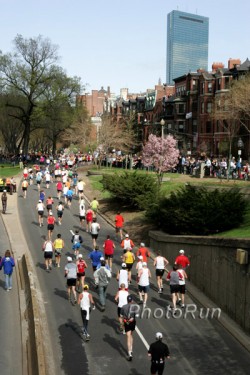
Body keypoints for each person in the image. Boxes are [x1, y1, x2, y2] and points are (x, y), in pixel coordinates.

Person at [120, 295, 137, 361]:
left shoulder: (123, 307)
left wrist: (122, 324)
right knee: (131, 335)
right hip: (132, 322)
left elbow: (121, 316)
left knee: (128, 336)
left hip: (126, 322)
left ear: (127, 300)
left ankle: (129, 352)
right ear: (132, 300)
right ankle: (131, 349)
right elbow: (137, 315)